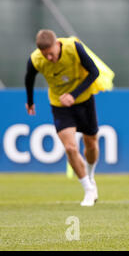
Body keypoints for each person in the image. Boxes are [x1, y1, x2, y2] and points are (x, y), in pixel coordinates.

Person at [25, 29, 114, 206]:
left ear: (57, 44)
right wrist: (30, 101)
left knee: (91, 143)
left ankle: (90, 174)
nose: (49, 58)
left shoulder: (74, 47)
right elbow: (29, 78)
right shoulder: (36, 59)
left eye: (50, 53)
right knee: (71, 148)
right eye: (45, 55)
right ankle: (88, 189)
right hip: (60, 105)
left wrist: (74, 94)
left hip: (84, 100)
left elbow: (94, 72)